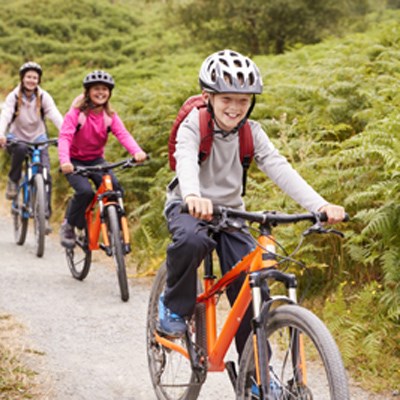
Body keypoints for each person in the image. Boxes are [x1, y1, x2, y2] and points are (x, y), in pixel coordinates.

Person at [160, 50, 346, 358]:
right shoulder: (193, 124)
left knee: (251, 291)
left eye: (243, 100)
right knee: (191, 240)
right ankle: (174, 307)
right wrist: (193, 195)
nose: (235, 108)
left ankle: (257, 377)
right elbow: (185, 159)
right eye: (226, 99)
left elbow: (280, 168)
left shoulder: (251, 132)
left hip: (231, 213)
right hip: (188, 206)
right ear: (208, 96)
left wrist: (321, 205)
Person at [58, 70, 147, 248]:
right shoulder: (76, 114)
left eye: (105, 89)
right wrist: (65, 161)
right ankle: (69, 224)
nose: (101, 93)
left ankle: (117, 229)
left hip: (96, 159)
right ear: (88, 92)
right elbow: (65, 137)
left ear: (109, 93)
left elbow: (123, 135)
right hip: (74, 161)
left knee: (114, 188)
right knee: (85, 192)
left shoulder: (109, 116)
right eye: (96, 89)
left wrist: (137, 152)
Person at [0, 61, 63, 232]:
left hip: (38, 138)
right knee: (19, 150)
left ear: (39, 80)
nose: (31, 80)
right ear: (22, 78)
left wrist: (66, 133)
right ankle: (13, 181)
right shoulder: (14, 96)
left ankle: (45, 218)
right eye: (28, 76)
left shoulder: (44, 97)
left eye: (35, 77)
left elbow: (54, 115)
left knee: (45, 175)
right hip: (17, 137)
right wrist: (1, 133)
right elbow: (5, 115)